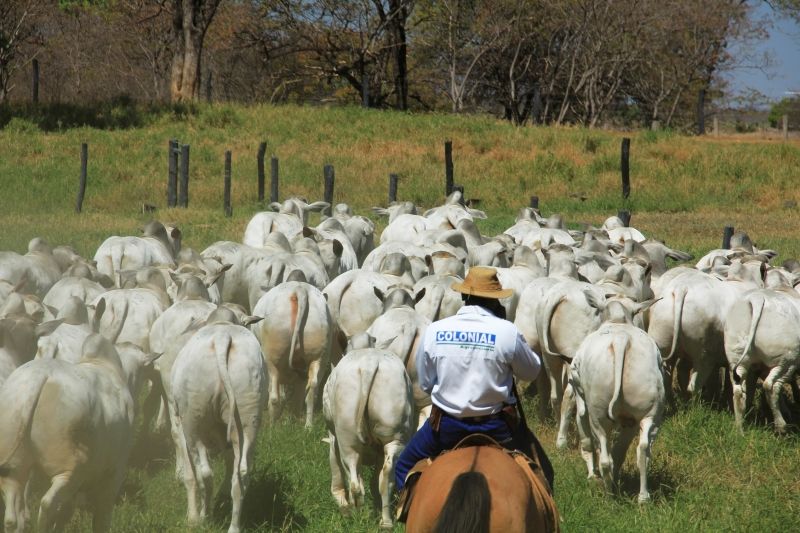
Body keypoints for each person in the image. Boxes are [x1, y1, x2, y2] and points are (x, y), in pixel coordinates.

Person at [394, 266, 552, 493]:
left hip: (446, 427)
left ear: (463, 296)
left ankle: (407, 514)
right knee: (544, 473)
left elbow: (427, 384)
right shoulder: (507, 331)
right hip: (497, 428)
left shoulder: (436, 330)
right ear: (497, 301)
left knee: (403, 466)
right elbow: (531, 372)